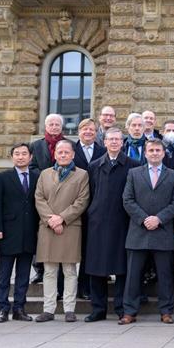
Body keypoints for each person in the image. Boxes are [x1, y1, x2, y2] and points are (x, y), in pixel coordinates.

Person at [121, 138, 174, 325]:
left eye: (158, 150)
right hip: (138, 231)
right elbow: (127, 200)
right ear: (146, 153)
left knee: (164, 276)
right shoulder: (133, 173)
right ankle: (129, 312)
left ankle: (166, 311)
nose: (155, 153)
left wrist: (159, 219)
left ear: (163, 153)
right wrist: (144, 219)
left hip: (162, 231)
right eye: (151, 150)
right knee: (133, 275)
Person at [84, 127, 140, 322]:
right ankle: (98, 308)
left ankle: (120, 306)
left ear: (122, 143)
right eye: (111, 139)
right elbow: (89, 193)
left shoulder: (133, 165)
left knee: (121, 267)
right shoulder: (94, 166)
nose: (114, 142)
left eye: (118, 139)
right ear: (104, 142)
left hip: (122, 222)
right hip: (97, 223)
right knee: (96, 267)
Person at [34, 139, 90, 323]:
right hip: (48, 227)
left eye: (67, 152)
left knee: (69, 270)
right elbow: (39, 198)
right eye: (60, 152)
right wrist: (51, 220)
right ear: (55, 154)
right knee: (49, 271)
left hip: (70, 227)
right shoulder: (44, 174)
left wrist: (62, 218)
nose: (63, 155)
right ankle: (48, 309)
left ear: (73, 154)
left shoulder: (82, 175)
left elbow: (82, 201)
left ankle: (69, 309)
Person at [0, 143, 39, 323]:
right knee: (4, 274)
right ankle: (2, 308)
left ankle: (19, 308)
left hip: (29, 233)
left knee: (24, 275)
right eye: (17, 154)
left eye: (24, 154)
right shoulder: (2, 178)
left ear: (30, 157)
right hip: (7, 233)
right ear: (12, 157)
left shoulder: (37, 176)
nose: (20, 157)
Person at [72, 118, 99, 299]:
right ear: (78, 132)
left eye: (91, 129)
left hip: (95, 207)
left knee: (91, 249)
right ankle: (67, 289)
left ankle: (87, 286)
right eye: (84, 129)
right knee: (72, 249)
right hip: (74, 206)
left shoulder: (102, 151)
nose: (88, 132)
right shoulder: (70, 151)